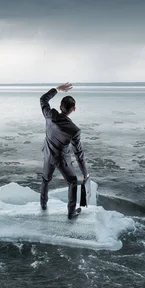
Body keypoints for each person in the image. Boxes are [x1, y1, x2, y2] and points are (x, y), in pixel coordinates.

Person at [39, 82, 89, 219]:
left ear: (60, 107)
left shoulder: (49, 114)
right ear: (74, 109)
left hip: (48, 154)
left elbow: (43, 99)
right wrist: (85, 173)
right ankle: (71, 213)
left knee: (45, 179)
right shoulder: (74, 130)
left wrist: (57, 89)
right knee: (72, 182)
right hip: (62, 160)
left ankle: (43, 204)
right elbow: (79, 154)